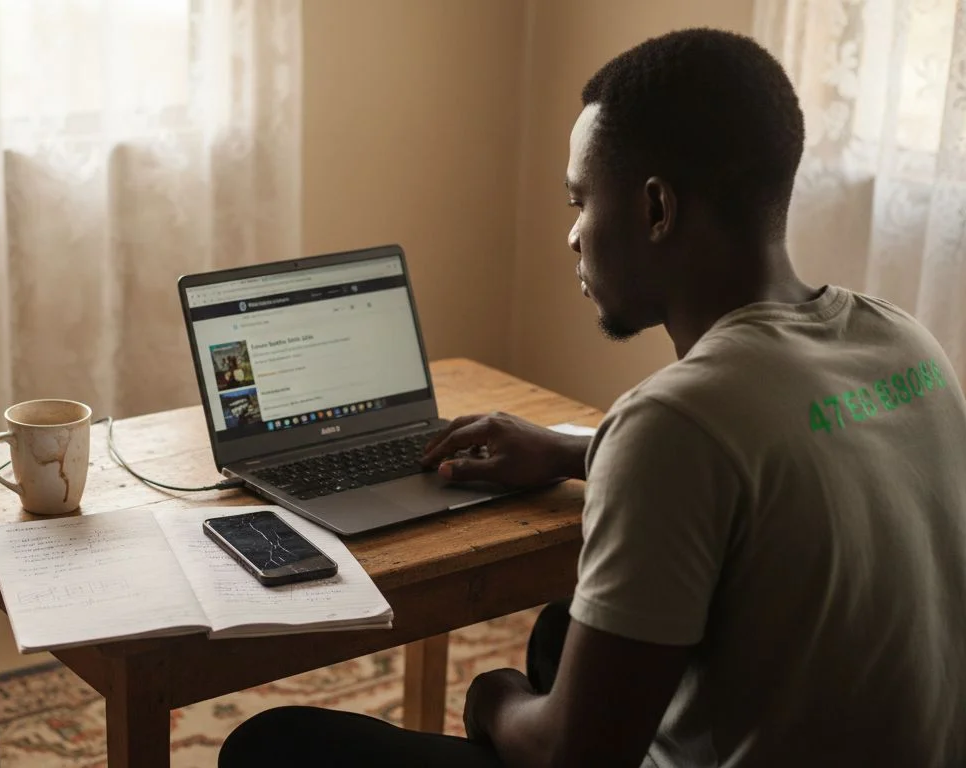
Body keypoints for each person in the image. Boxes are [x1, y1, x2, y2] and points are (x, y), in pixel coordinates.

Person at [218, 27, 966, 768]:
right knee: (560, 631)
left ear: (655, 209)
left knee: (273, 745)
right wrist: (574, 451)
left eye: (581, 200)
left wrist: (492, 695)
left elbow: (574, 757)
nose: (574, 236)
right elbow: (775, 451)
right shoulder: (905, 342)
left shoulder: (677, 422)